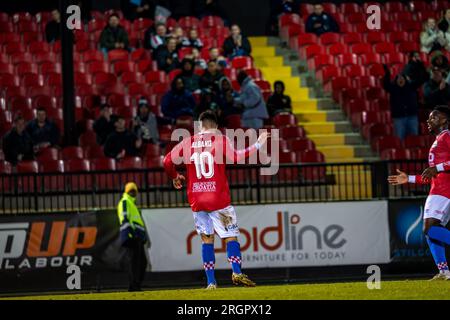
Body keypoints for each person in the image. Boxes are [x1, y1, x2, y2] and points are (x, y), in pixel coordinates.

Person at [163, 110, 269, 289]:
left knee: (206, 240)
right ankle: (236, 272)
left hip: (197, 199)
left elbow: (167, 161)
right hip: (218, 199)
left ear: (200, 125)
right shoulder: (220, 140)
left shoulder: (188, 142)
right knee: (230, 236)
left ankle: (211, 282)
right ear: (216, 126)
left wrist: (175, 176)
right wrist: (257, 145)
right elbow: (236, 157)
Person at [388, 106, 450, 280]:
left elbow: (436, 170)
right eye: (430, 117)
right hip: (438, 188)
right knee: (431, 230)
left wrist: (436, 167)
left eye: (434, 117)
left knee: (429, 228)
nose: (429, 120)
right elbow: (431, 175)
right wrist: (409, 179)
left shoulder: (447, 136)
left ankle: (444, 271)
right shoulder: (438, 140)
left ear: (445, 120)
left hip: (444, 190)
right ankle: (444, 271)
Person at [117, 182, 149, 292]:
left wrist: (143, 236)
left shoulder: (132, 204)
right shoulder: (125, 202)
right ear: (126, 191)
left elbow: (137, 223)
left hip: (137, 238)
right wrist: (131, 234)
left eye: (134, 190)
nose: (133, 192)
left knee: (141, 263)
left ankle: (136, 285)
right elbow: (124, 219)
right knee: (134, 263)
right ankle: (133, 287)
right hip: (131, 237)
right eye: (131, 190)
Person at [382, 65, 420, 141]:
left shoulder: (411, 87)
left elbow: (421, 79)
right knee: (399, 140)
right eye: (398, 78)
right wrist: (387, 73)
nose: (400, 79)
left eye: (402, 78)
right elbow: (386, 84)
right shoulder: (393, 89)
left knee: (414, 140)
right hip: (399, 118)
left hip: (412, 117)